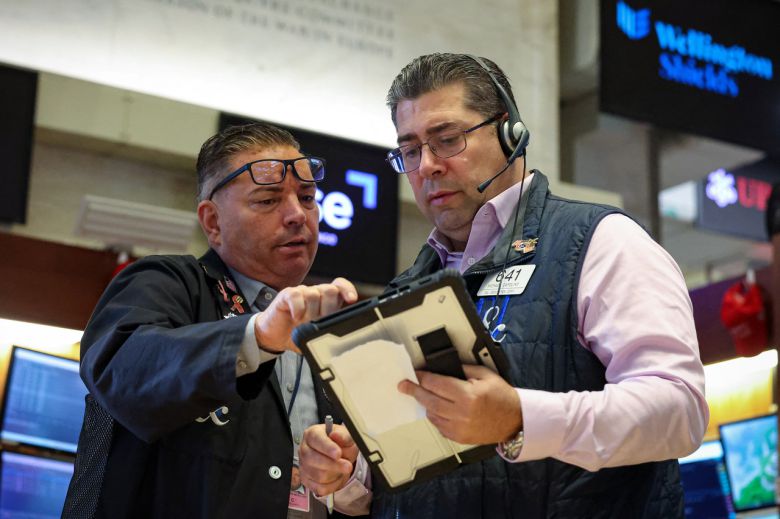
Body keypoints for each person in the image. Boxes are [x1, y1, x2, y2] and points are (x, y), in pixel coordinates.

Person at [298, 53, 709, 518]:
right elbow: (413, 473)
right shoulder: (404, 291)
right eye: (410, 151)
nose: (426, 166)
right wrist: (350, 473)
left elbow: (679, 411)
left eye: (447, 140)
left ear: (510, 133)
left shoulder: (601, 242)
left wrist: (519, 418)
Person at [62, 122, 370, 518]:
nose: (298, 214)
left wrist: (348, 476)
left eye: (308, 197)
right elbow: (119, 371)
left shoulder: (329, 328)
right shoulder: (165, 284)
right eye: (268, 200)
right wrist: (256, 336)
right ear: (212, 222)